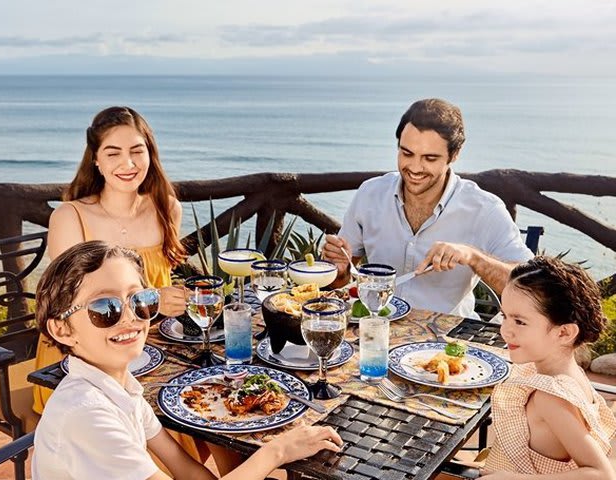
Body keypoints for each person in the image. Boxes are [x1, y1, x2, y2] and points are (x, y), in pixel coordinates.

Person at [31, 241, 343, 480]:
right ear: (62, 329)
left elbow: (188, 472)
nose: (130, 319)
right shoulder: (87, 414)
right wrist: (278, 451)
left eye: (141, 300)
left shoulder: (120, 388)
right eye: (105, 309)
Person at [34, 106, 186, 413]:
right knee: (181, 414)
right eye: (113, 153)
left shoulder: (166, 208)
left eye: (136, 151)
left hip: (149, 345)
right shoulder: (70, 216)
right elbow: (68, 307)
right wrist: (154, 299)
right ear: (96, 160)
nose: (128, 164)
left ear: (150, 155)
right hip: (84, 358)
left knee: (215, 396)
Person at [323, 98, 533, 318]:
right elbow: (340, 280)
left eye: (430, 158)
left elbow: (531, 287)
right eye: (406, 153)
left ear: (455, 154)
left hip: (446, 341)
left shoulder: (484, 209)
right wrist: (339, 270)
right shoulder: (370, 194)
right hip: (376, 326)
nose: (414, 168)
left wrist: (472, 256)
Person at [479, 255, 616, 479]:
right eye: (505, 316)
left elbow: (602, 474)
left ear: (564, 333)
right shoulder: (566, 373)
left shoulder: (551, 397)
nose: (505, 330)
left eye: (520, 321)